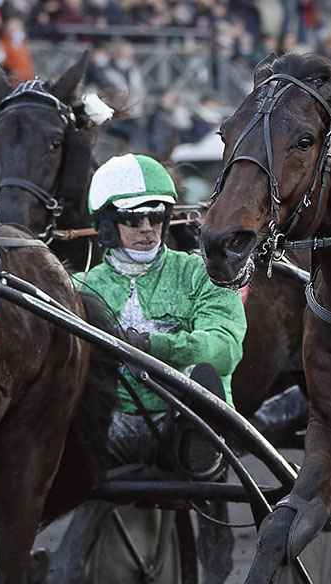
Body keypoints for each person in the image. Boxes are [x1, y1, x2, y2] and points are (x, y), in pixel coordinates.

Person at [74, 154, 246, 468]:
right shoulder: (80, 287)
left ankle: (202, 455)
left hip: (178, 422)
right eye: (132, 217)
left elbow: (224, 350)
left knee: (205, 372)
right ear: (107, 224)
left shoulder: (200, 273)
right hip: (109, 424)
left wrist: (154, 346)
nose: (147, 228)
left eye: (155, 215)